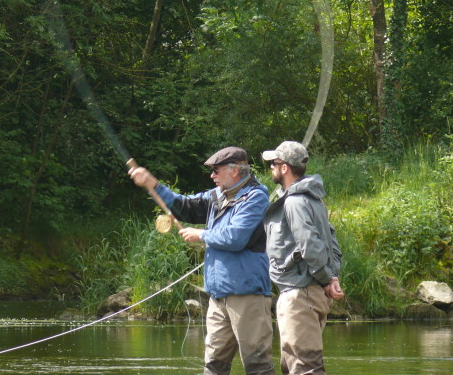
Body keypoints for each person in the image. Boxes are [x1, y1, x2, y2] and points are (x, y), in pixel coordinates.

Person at [129, 146, 274, 375]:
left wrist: (201, 235)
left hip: (247, 295)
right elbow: (183, 207)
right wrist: (153, 185)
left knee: (257, 365)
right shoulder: (216, 196)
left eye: (216, 170)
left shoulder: (256, 198)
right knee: (214, 365)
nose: (212, 176)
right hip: (218, 296)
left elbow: (236, 237)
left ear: (234, 170)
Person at [261, 141, 344, 375]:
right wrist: (331, 276)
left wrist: (328, 279)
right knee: (293, 366)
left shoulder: (295, 201)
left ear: (284, 167)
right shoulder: (314, 199)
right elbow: (332, 241)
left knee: (305, 367)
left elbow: (310, 244)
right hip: (305, 292)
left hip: (300, 294)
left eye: (273, 164)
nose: (270, 168)